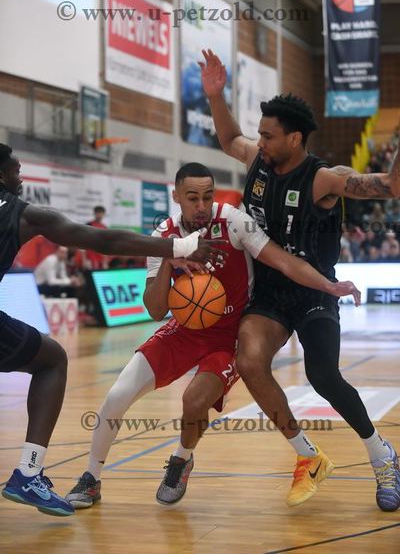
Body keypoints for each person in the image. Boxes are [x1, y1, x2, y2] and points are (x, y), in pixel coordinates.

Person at [65, 163, 359, 509]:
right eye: (193, 198)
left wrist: (329, 285)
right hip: (184, 330)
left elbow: (282, 260)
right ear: (176, 197)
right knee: (117, 395)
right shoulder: (163, 235)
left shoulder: (233, 220)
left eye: (208, 196)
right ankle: (91, 478)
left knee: (193, 401)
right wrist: (170, 258)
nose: (202, 205)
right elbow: (156, 310)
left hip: (229, 336)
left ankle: (181, 458)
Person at [199, 48, 400, 512]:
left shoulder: (325, 179)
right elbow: (229, 138)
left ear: (294, 138)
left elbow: (390, 186)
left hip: (314, 288)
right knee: (250, 362)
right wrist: (215, 95)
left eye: (268, 136)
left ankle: (382, 456)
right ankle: (308, 456)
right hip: (269, 290)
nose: (260, 142)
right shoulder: (257, 161)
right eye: (260, 134)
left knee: (322, 375)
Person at [0, 144, 225, 517]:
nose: (19, 179)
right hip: (182, 316)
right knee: (55, 362)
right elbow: (107, 243)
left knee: (54, 358)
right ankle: (33, 472)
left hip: (220, 334)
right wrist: (182, 247)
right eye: (14, 171)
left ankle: (49, 474)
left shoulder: (232, 221)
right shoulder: (23, 213)